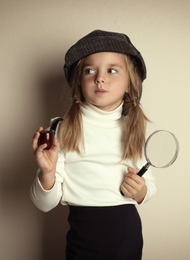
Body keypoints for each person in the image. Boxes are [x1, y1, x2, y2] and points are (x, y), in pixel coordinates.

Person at [30, 29, 156, 260]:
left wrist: (141, 191)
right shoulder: (61, 128)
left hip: (126, 235)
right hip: (82, 236)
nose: (100, 77)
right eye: (90, 70)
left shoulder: (133, 128)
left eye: (112, 70)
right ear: (79, 82)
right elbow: (44, 204)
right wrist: (46, 172)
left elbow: (149, 188)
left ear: (129, 83)